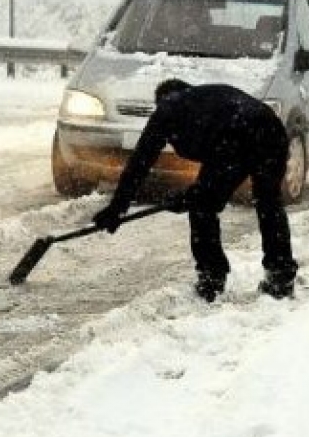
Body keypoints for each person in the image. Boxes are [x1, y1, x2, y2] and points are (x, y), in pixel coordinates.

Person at [93, 79, 297, 302]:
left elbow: (140, 161)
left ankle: (212, 277)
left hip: (236, 136)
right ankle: (280, 275)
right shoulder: (208, 98)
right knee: (268, 202)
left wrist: (117, 208)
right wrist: (196, 193)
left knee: (202, 208)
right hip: (270, 131)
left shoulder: (168, 110)